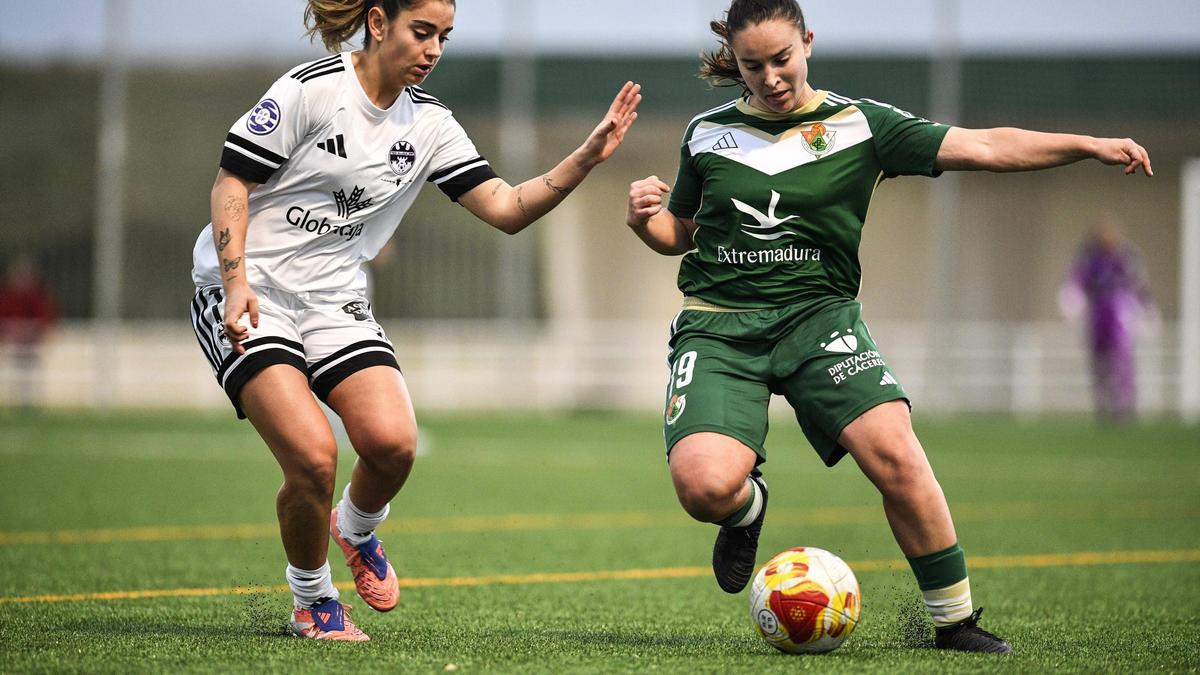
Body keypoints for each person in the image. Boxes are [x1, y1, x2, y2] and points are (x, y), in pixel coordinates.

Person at [625, 0, 1151, 654]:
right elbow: (681, 232)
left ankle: (954, 621)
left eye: (782, 58)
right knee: (704, 486)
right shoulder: (707, 132)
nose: (770, 77)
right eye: (752, 65)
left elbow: (985, 145)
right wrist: (648, 219)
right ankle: (745, 509)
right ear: (736, 61)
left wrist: (1087, 146)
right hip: (720, 329)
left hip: (821, 323)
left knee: (897, 454)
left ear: (808, 42)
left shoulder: (861, 125)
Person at [189, 0, 640, 641]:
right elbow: (231, 183)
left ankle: (356, 528)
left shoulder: (429, 125)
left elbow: (507, 207)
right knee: (314, 459)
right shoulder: (310, 91)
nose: (433, 50)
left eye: (444, 38)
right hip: (247, 291)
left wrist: (585, 159)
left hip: (334, 299)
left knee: (393, 444)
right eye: (421, 32)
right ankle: (312, 599)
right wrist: (234, 283)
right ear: (378, 23)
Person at [1058, 216, 1156, 423]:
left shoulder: (1127, 257)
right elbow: (1076, 282)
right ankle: (1102, 404)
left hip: (1120, 311)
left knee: (1122, 360)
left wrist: (1148, 309)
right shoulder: (1090, 258)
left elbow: (1139, 284)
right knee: (1099, 360)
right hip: (1097, 313)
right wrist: (1071, 301)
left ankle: (1124, 406)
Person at [0, 254, 58, 410]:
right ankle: (16, 402)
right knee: (15, 373)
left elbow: (45, 317)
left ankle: (31, 403)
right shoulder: (8, 295)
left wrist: (37, 332)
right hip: (15, 341)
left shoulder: (37, 295)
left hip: (31, 341)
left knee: (32, 373)